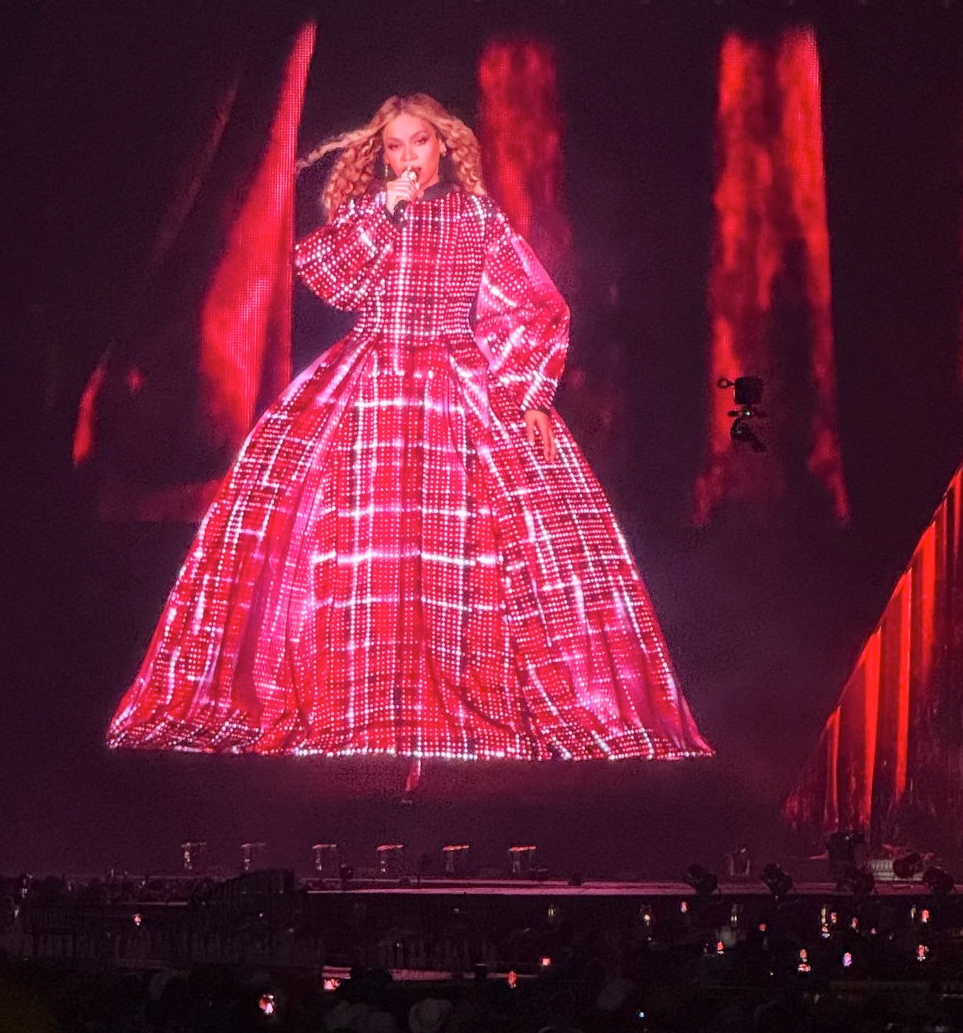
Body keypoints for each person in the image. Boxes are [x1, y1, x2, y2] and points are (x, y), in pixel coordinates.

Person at [108, 93, 711, 762]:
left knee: (472, 540)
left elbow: (532, 306)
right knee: (350, 536)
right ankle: (352, 693)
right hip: (367, 378)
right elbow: (330, 279)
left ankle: (475, 687)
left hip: (458, 380)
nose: (407, 157)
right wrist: (383, 214)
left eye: (418, 142)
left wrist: (529, 395)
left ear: (443, 145)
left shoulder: (476, 217)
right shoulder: (369, 214)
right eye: (394, 146)